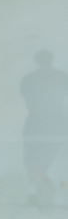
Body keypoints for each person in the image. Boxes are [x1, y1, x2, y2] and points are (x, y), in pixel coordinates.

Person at [22, 49, 68, 206]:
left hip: (54, 122)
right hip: (39, 123)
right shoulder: (29, 79)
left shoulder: (61, 77)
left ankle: (49, 195)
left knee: (54, 158)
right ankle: (41, 194)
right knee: (35, 158)